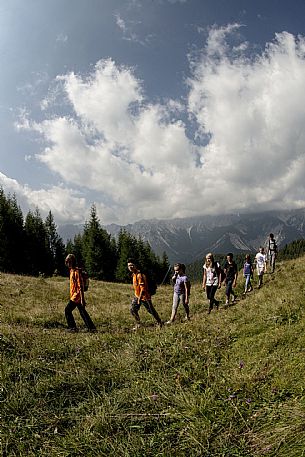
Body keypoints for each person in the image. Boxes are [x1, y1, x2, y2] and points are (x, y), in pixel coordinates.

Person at [64, 254, 96, 333]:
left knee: (67, 310)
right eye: (67, 262)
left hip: (77, 296)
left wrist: (82, 299)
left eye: (69, 262)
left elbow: (80, 286)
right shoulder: (71, 271)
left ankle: (72, 328)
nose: (67, 263)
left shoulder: (76, 272)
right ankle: (91, 328)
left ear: (72, 262)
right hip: (74, 295)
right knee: (82, 312)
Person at [127, 258, 163, 329]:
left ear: (135, 265)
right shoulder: (134, 274)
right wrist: (137, 297)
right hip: (137, 296)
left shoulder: (139, 275)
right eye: (129, 266)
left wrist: (139, 299)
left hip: (144, 297)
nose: (130, 267)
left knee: (151, 310)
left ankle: (159, 322)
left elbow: (143, 288)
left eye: (132, 265)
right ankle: (138, 324)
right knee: (132, 309)